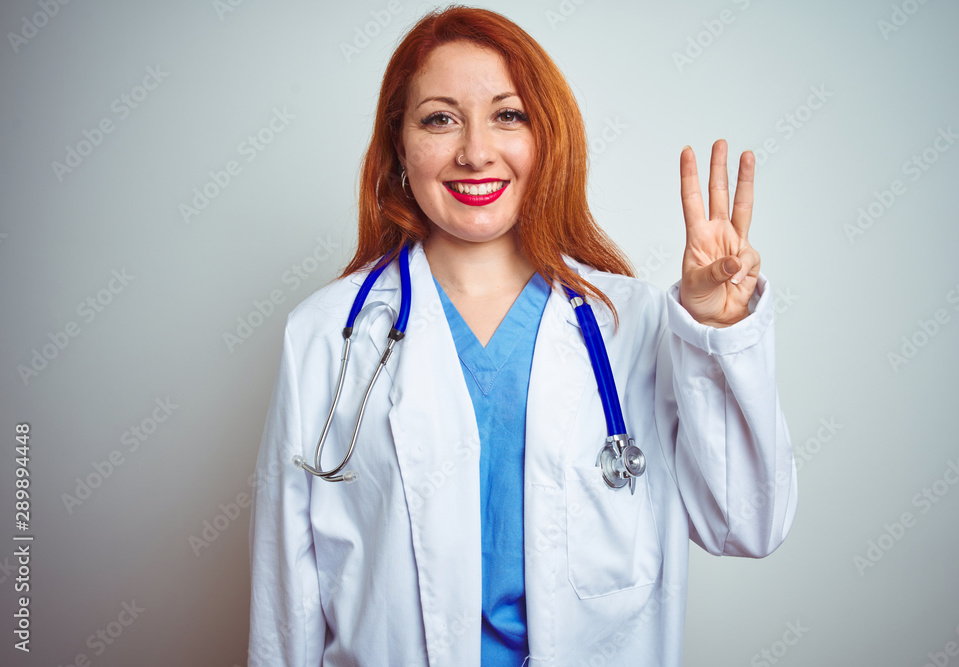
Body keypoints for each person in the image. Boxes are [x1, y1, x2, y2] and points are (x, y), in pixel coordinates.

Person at [248, 5, 796, 666]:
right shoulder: (326, 336)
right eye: (440, 118)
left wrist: (718, 329)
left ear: (546, 138)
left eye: (508, 115)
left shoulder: (637, 325)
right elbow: (285, 608)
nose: (475, 149)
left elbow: (747, 524)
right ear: (399, 144)